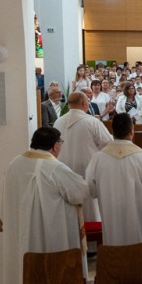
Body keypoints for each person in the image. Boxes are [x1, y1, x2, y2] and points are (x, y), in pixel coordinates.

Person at [0, 126, 91, 284]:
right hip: (47, 232)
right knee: (49, 268)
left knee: (25, 262)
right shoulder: (53, 167)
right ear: (55, 146)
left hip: (21, 230)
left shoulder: (15, 163)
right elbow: (80, 191)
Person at [84, 114, 142, 282]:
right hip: (138, 220)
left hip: (111, 219)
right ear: (131, 131)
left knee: (115, 257)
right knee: (140, 259)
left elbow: (91, 190)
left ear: (112, 132)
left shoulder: (98, 158)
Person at [53, 91, 113, 225]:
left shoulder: (58, 122)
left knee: (70, 216)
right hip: (87, 172)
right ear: (84, 103)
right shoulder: (93, 122)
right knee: (90, 210)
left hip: (64, 171)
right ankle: (91, 236)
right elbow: (109, 145)